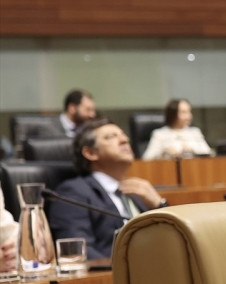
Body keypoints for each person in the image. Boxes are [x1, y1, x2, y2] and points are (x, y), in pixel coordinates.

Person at [48, 120, 168, 259]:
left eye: (123, 135)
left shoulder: (137, 193)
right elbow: (79, 251)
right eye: (111, 137)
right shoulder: (73, 193)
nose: (124, 139)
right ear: (90, 153)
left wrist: (160, 204)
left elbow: (173, 239)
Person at [142, 99, 212, 160]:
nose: (189, 116)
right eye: (184, 112)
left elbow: (209, 154)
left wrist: (191, 150)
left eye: (189, 112)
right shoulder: (160, 134)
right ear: (173, 114)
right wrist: (164, 152)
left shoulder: (195, 132)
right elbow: (146, 159)